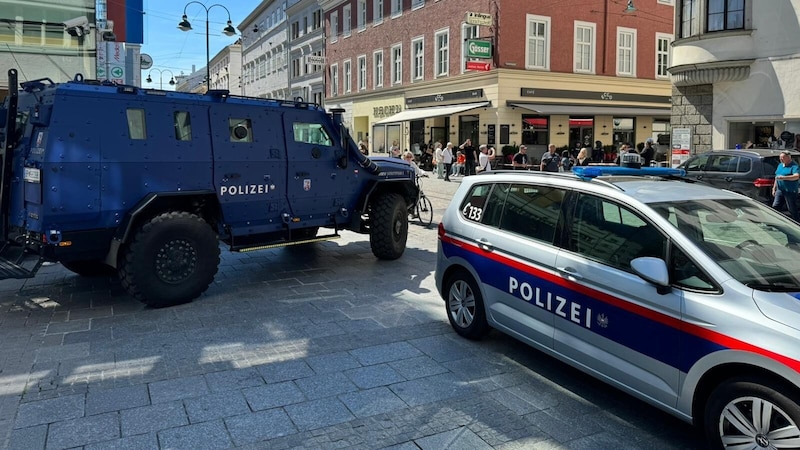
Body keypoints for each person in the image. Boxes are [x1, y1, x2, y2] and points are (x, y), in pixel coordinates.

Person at [772, 150, 799, 221]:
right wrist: (774, 188)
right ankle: (775, 222)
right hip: (780, 190)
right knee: (775, 207)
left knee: (792, 209)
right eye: (780, 158)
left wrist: (784, 178)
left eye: (783, 158)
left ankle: (796, 222)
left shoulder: (794, 166)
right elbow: (777, 177)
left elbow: (796, 176)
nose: (781, 159)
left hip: (790, 191)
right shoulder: (780, 165)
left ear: (788, 158)